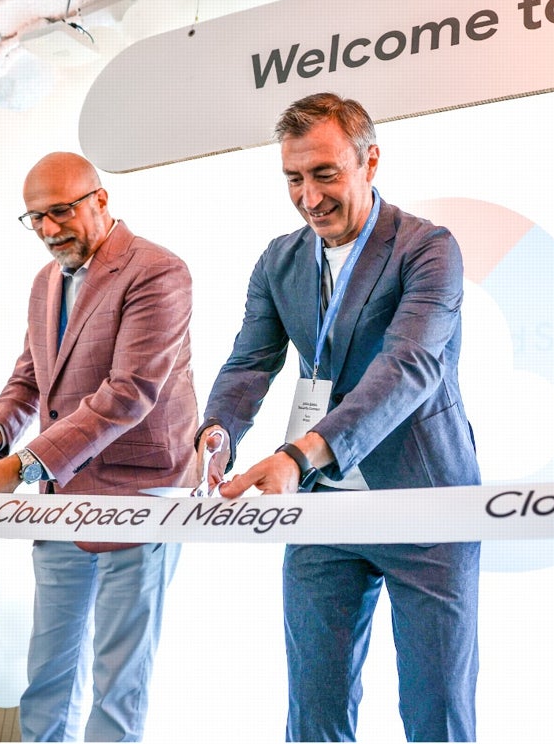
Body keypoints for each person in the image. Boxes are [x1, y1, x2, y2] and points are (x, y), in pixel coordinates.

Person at [198, 92, 480, 741]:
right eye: (293, 178)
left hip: (426, 505)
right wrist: (217, 435)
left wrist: (298, 455)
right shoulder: (279, 260)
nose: (308, 197)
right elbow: (249, 363)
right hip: (321, 511)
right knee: (314, 714)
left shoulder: (428, 249)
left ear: (369, 161)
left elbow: (409, 365)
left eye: (324, 174)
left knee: (436, 716)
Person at [0, 152, 199, 742]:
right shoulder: (44, 283)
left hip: (143, 500)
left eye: (60, 212)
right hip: (62, 502)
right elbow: (29, 381)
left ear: (101, 200)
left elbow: (129, 393)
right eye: (35, 218)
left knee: (119, 683)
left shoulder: (158, 271)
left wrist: (22, 463)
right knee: (47, 674)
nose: (49, 230)